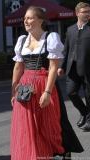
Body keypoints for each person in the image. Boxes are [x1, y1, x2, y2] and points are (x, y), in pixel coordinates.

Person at [10, 6, 84, 160]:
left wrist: (48, 91)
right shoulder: (22, 40)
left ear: (40, 20)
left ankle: (55, 151)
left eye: (29, 18)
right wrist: (14, 92)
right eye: (25, 18)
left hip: (43, 85)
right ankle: (30, 154)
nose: (25, 21)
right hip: (24, 87)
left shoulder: (51, 38)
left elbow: (52, 67)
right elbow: (18, 67)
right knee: (25, 125)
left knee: (47, 124)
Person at [58, 2, 90, 132]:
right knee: (71, 92)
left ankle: (89, 120)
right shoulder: (70, 29)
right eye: (85, 12)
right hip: (72, 67)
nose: (88, 14)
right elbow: (66, 49)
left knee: (89, 95)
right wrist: (61, 65)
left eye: (89, 11)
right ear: (77, 13)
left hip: (88, 68)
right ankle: (85, 112)